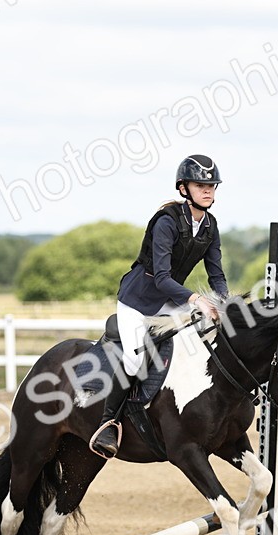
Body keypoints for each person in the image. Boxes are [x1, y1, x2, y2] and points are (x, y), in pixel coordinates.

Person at [89, 154, 229, 459]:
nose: (208, 191)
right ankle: (108, 423)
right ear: (184, 188)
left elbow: (216, 273)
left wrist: (224, 305)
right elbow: (162, 277)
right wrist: (196, 299)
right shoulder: (167, 222)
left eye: (211, 186)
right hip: (138, 300)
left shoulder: (210, 226)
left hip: (170, 299)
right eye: (200, 185)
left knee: (201, 339)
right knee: (132, 359)